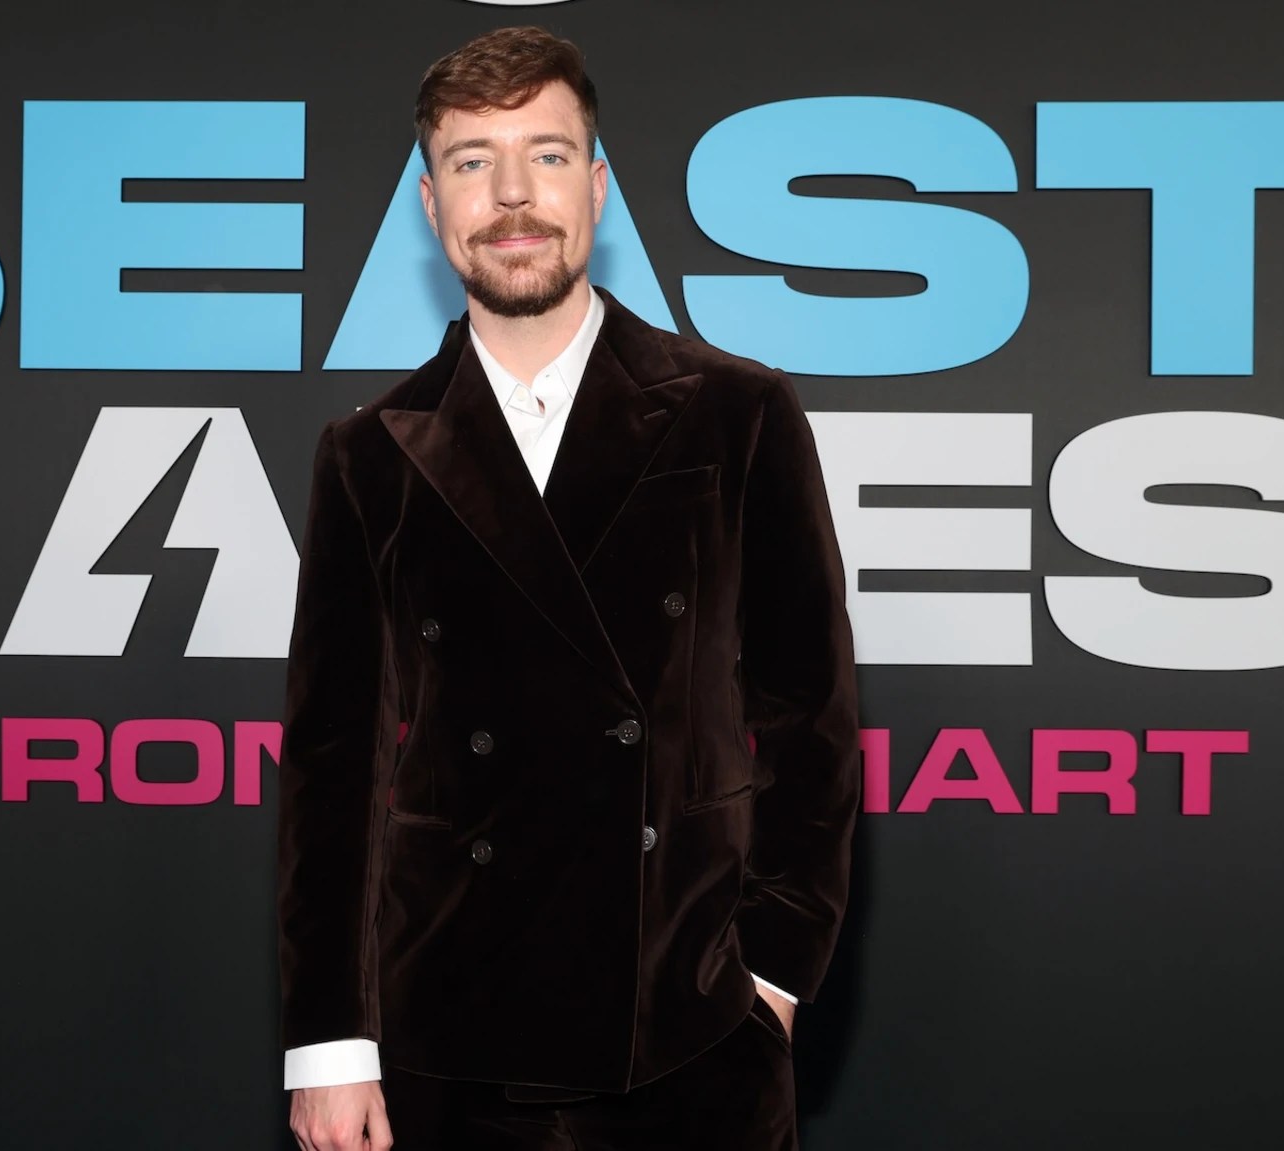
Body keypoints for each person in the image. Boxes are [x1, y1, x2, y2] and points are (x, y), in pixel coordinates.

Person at [276, 25, 860, 1151]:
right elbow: (333, 765)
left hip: (688, 1032)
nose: (511, 194)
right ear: (431, 203)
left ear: (594, 187)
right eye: (472, 160)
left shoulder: (736, 414)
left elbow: (811, 718)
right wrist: (330, 1045)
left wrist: (774, 978)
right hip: (445, 1037)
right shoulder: (366, 455)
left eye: (544, 155)